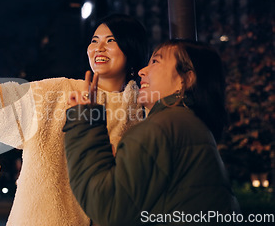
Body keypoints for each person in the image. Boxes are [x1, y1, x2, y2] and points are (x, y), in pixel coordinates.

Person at [0, 9, 148, 225]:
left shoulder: (144, 113)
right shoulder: (58, 93)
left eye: (111, 41)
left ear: (131, 49)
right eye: (94, 41)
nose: (99, 48)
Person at [63, 40, 240, 226]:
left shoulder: (163, 127)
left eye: (155, 62)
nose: (142, 71)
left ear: (186, 80)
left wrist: (83, 120)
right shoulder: (191, 126)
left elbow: (108, 207)